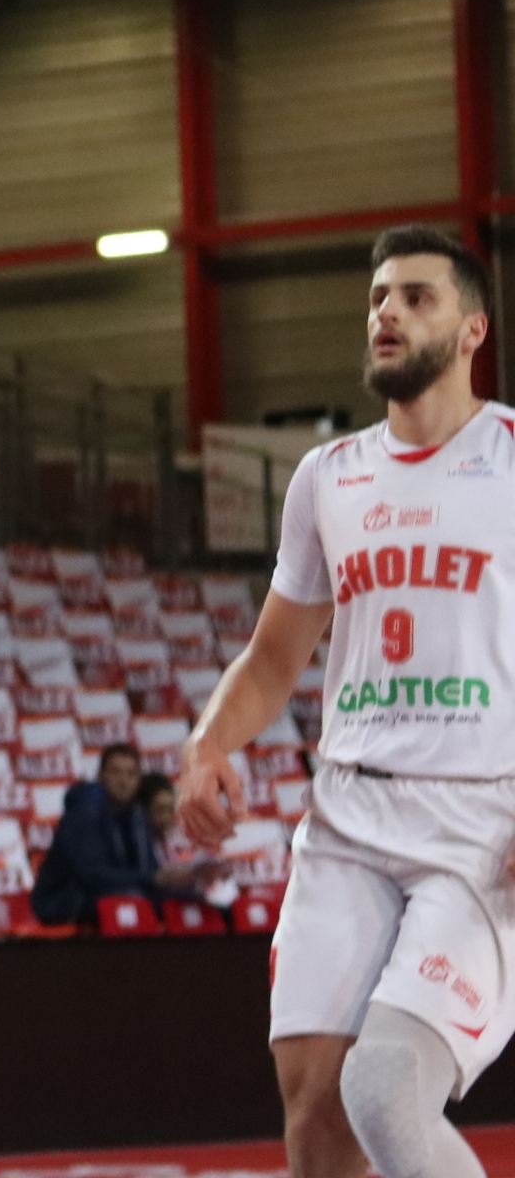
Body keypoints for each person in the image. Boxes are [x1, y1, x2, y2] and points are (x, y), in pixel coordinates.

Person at [179, 225, 515, 1178]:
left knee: (386, 1091)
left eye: (416, 297)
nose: (388, 314)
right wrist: (208, 747)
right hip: (346, 817)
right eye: (378, 299)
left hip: (480, 827)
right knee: (318, 1125)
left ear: (473, 328)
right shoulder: (329, 478)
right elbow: (274, 656)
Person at [27, 742, 206, 927]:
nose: (123, 780)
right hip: (68, 901)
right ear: (101, 776)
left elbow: (150, 870)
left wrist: (178, 878)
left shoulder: (137, 815)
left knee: (195, 900)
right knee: (133, 901)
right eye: (116, 772)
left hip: (116, 891)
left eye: (131, 774)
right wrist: (154, 878)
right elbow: (94, 877)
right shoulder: (83, 814)